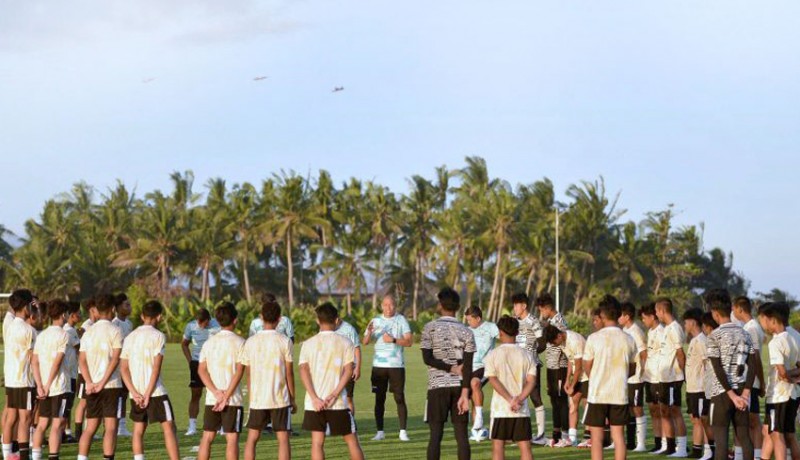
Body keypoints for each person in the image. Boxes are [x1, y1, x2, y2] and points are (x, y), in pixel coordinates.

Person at [299, 302, 364, 460]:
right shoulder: (346, 343)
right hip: (338, 403)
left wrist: (314, 398)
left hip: (315, 404)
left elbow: (303, 370)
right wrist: (334, 395)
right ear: (336, 320)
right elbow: (349, 370)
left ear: (317, 321)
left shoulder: (307, 344)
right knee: (352, 441)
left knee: (317, 443)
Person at [119, 300, 180, 460]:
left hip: (136, 393)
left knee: (138, 430)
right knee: (169, 427)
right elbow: (156, 368)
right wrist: (147, 394)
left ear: (142, 316)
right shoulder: (159, 336)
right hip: (155, 392)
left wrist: (135, 392)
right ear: (159, 317)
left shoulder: (129, 337)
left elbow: (123, 369)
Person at [420, 287, 476, 460]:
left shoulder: (429, 328)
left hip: (437, 387)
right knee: (462, 437)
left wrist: (449, 369)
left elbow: (427, 358)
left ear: (440, 305)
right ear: (458, 307)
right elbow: (468, 366)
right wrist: (466, 393)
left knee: (435, 436)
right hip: (460, 388)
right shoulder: (467, 332)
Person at [240, 298, 296, 460]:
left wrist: (252, 397)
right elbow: (289, 373)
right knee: (283, 439)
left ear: (261, 317)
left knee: (252, 438)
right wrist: (292, 398)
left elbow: (248, 373)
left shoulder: (250, 342)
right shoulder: (285, 341)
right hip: (280, 398)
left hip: (258, 398)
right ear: (279, 319)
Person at [583, 294, 637, 460]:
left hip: (597, 394)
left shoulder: (593, 338)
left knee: (597, 439)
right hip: (619, 394)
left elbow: (587, 368)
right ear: (619, 314)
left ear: (603, 315)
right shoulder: (629, 339)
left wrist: (599, 375)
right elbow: (632, 369)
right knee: (619, 437)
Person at [704, 288, 756, 460]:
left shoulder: (714, 336)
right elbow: (753, 365)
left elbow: (717, 368)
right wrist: (745, 393)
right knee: (744, 438)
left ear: (715, 313)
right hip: (742, 391)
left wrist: (731, 395)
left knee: (721, 443)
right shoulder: (745, 334)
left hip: (721, 394)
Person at [77, 293, 124, 460]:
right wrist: (103, 382)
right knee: (111, 427)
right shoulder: (116, 331)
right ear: (112, 309)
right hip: (111, 386)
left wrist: (90, 382)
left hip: (92, 386)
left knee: (90, 427)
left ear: (96, 309)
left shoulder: (89, 332)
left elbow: (81, 359)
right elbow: (116, 359)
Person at [197, 302, 246, 460]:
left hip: (213, 399)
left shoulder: (209, 343)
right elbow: (239, 371)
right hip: (233, 400)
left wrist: (216, 393)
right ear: (235, 320)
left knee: (207, 437)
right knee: (232, 439)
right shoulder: (241, 342)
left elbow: (201, 370)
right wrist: (225, 396)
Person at [484, 315, 536, 460]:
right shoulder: (527, 355)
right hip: (521, 409)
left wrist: (509, 399)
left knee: (498, 447)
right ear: (517, 332)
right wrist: (518, 399)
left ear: (500, 332)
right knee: (525, 447)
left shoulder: (493, 355)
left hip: (501, 409)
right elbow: (531, 382)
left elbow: (493, 379)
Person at [361, 294, 412, 442]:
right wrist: (369, 333)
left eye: (391, 305)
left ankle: (403, 432)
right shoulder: (375, 320)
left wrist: (393, 340)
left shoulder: (401, 319)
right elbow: (364, 342)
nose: (388, 308)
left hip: (396, 365)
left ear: (395, 306)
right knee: (379, 399)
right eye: (386, 305)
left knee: (399, 397)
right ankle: (380, 432)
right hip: (378, 366)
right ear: (381, 306)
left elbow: (409, 342)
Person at [757, 303, 800, 460]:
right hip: (793, 394)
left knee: (777, 435)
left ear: (772, 320)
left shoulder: (775, 342)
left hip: (778, 396)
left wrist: (787, 377)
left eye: (763, 320)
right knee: (788, 434)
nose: (763, 325)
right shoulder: (794, 337)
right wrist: (795, 378)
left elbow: (781, 373)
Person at [31, 299, 71, 460]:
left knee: (41, 424)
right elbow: (57, 362)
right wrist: (47, 385)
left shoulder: (43, 335)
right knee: (57, 424)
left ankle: (36, 456)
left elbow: (34, 361)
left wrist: (40, 385)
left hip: (43, 388)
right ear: (63, 314)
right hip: (59, 387)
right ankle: (54, 457)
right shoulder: (64, 334)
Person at [3, 289, 37, 460]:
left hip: (11, 379)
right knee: (25, 419)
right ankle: (23, 457)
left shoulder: (9, 326)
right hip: (25, 381)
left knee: (11, 417)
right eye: (32, 304)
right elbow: (33, 359)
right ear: (26, 306)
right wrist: (40, 383)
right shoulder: (29, 330)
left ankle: (8, 455)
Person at [510, 292, 547, 445]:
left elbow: (542, 343)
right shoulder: (514, 322)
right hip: (517, 367)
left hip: (532, 365)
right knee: (517, 397)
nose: (514, 308)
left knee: (535, 397)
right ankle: (519, 434)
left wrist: (530, 353)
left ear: (523, 306)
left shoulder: (534, 322)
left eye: (516, 305)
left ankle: (541, 434)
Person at [544, 323, 588, 448]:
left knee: (587, 405)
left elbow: (579, 366)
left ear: (559, 335)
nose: (554, 345)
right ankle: (572, 439)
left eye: (554, 342)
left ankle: (588, 437)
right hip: (577, 376)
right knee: (573, 405)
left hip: (587, 376)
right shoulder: (562, 341)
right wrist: (567, 380)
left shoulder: (575, 340)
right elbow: (570, 360)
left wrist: (572, 385)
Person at [731, 296, 765, 460]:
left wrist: (761, 382)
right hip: (747, 380)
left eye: (733, 308)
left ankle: (757, 455)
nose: (732, 311)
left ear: (740, 309)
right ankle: (743, 454)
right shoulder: (748, 327)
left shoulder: (751, 328)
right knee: (744, 420)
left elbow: (756, 357)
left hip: (751, 382)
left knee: (753, 420)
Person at [654, 298, 688, 457]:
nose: (656, 314)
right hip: (663, 378)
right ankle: (669, 446)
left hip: (674, 378)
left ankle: (681, 448)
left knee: (675, 411)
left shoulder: (675, 328)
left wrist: (684, 375)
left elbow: (681, 354)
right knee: (664, 411)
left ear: (662, 311)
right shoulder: (666, 328)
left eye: (656, 311)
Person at [536, 293, 570, 447]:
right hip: (551, 367)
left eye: (540, 310)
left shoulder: (559, 322)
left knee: (561, 400)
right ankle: (556, 435)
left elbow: (564, 345)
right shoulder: (550, 322)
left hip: (560, 367)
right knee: (554, 400)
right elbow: (543, 345)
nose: (540, 314)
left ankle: (565, 435)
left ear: (546, 308)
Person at [181, 308, 221, 436]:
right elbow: (184, 344)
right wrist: (190, 361)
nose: (200, 325)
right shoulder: (190, 326)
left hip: (214, 364)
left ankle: (219, 425)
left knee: (217, 393)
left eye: (202, 322)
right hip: (197, 363)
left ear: (208, 320)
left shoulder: (217, 325)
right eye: (198, 322)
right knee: (196, 394)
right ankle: (192, 426)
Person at [464, 307, 499, 442]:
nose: (468, 323)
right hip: (468, 367)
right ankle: (477, 430)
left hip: (485, 366)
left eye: (470, 320)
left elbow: (505, 338)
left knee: (475, 383)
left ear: (478, 318)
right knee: (470, 395)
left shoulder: (491, 327)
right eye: (466, 320)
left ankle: (479, 420)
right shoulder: (467, 331)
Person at [683, 308, 713, 460]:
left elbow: (707, 363)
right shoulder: (694, 340)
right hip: (692, 388)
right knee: (695, 419)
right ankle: (697, 450)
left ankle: (709, 452)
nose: (685, 325)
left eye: (686, 322)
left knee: (703, 420)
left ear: (693, 322)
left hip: (701, 389)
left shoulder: (701, 340)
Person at [619, 301, 648, 452]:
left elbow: (644, 354)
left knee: (637, 408)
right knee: (629, 409)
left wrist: (641, 374)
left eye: (620, 315)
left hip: (636, 378)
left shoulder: (636, 332)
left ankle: (641, 444)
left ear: (627, 316)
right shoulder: (624, 330)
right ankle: (630, 443)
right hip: (626, 377)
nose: (618, 318)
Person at [641, 302, 665, 452]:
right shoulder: (650, 332)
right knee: (653, 411)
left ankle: (666, 442)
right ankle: (658, 443)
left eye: (644, 318)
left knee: (663, 411)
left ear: (652, 316)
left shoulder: (662, 331)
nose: (643, 321)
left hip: (659, 377)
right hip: (649, 378)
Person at [111, 293, 133, 438]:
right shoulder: (114, 324)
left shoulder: (129, 323)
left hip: (127, 366)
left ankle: (122, 426)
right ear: (118, 308)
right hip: (116, 367)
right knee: (116, 397)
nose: (129, 307)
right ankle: (115, 426)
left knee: (124, 396)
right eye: (126, 304)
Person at [61, 301, 82, 444]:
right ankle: (63, 432)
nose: (81, 315)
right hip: (70, 373)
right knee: (67, 404)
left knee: (67, 404)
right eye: (79, 313)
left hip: (69, 372)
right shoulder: (69, 330)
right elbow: (80, 349)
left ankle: (65, 432)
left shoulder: (69, 329)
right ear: (72, 315)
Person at [335, 314, 361, 416]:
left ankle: (350, 424)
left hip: (348, 368)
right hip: (333, 368)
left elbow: (357, 349)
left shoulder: (349, 329)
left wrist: (358, 367)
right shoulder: (328, 329)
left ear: (337, 319)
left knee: (348, 398)